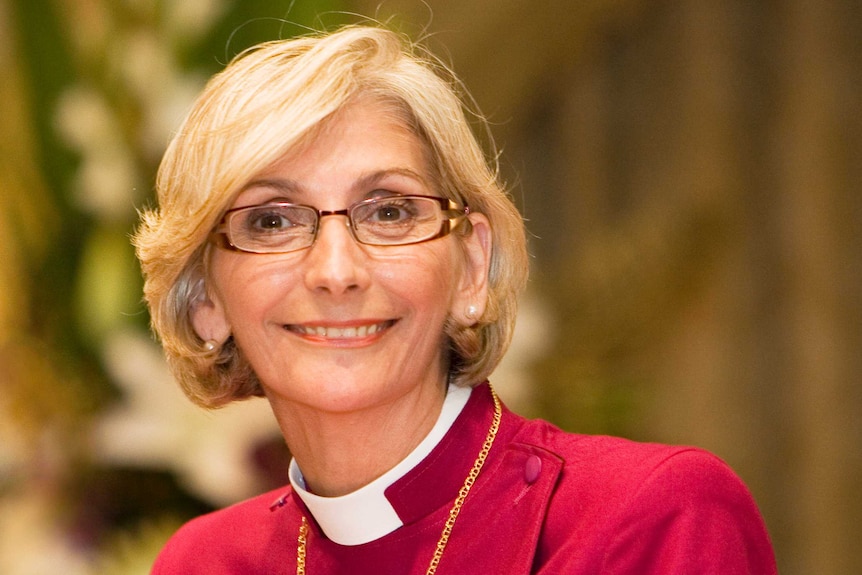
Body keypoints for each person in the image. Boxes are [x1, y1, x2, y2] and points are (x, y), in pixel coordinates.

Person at [134, 24, 777, 574]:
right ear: (204, 300)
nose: (335, 271)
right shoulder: (204, 561)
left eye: (388, 210)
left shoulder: (647, 517)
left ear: (470, 266)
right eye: (272, 221)